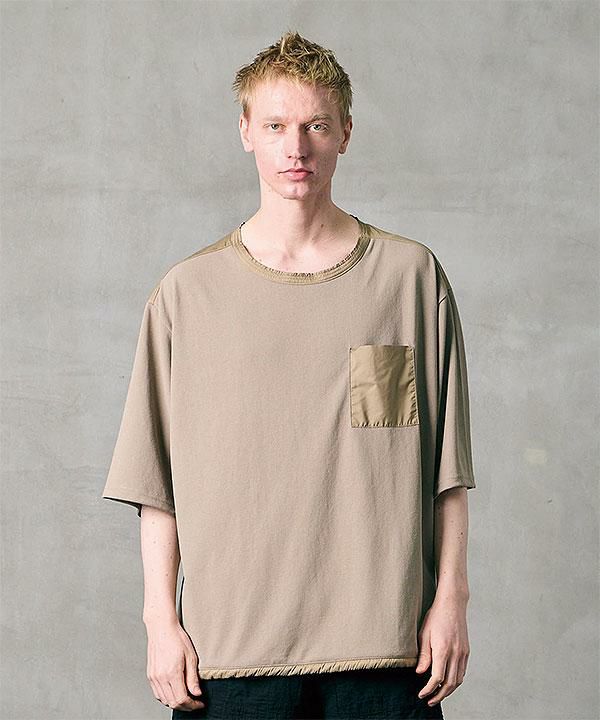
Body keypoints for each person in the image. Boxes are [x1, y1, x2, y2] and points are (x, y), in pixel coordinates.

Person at [102, 30, 476, 720]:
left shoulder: (410, 281)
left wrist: (451, 597)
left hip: (388, 653)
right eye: (275, 126)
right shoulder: (187, 295)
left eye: (316, 126)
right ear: (246, 131)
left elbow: (445, 473)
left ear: (346, 133)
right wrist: (160, 622)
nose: (296, 148)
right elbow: (157, 487)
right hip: (231, 655)